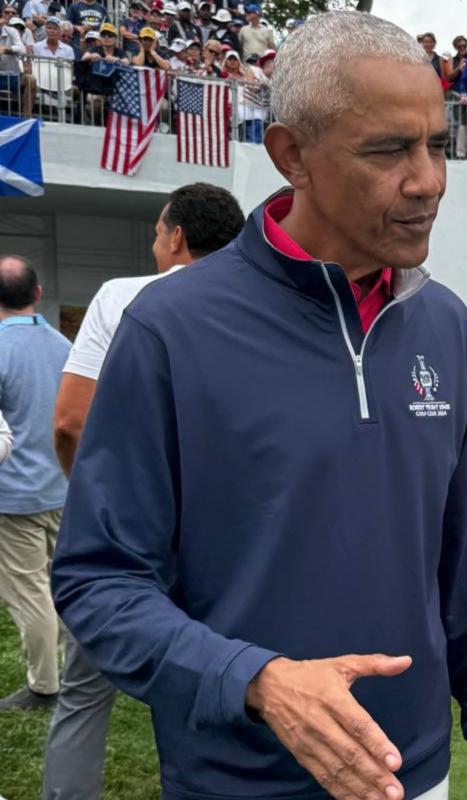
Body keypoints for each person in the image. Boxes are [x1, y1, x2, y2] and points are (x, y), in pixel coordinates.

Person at [51, 13, 467, 800]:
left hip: (418, 772)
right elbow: (98, 582)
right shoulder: (171, 328)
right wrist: (258, 680)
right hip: (235, 780)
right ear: (291, 156)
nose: (428, 179)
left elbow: (464, 553)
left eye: (437, 145)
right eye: (388, 150)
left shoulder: (441, 322)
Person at [44, 183, 244, 800]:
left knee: (83, 692)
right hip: (232, 536)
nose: (156, 243)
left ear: (176, 237)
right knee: (225, 683)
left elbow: (69, 422)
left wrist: (104, 503)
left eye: (158, 232)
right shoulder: (266, 305)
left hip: (133, 530)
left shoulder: (123, 296)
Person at [0, 256, 69, 713]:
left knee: (30, 595)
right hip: (63, 487)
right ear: (38, 293)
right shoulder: (66, 345)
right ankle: (67, 669)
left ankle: (45, 686)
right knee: (59, 586)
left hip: (15, 497)